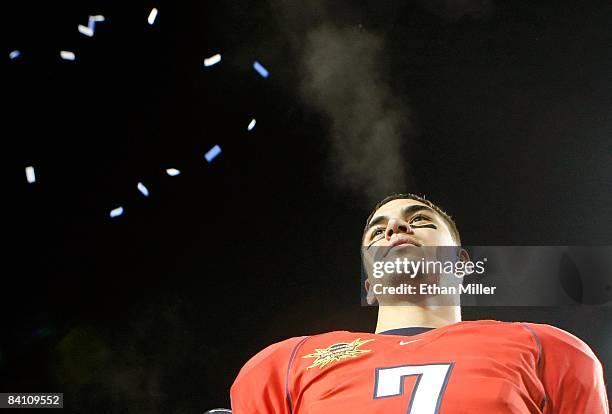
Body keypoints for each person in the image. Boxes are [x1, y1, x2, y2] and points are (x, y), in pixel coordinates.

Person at [230, 193, 609, 413]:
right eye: (378, 230)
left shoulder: (546, 347)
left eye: (420, 220)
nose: (395, 228)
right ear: (370, 284)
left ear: (462, 265)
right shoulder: (286, 363)